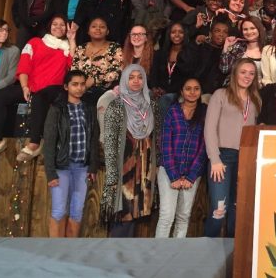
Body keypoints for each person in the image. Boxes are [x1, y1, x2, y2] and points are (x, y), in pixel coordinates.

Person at [0, 15, 74, 163]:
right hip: (31, 84)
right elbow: (24, 66)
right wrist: (25, 86)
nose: (58, 27)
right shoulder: (35, 42)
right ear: (49, 26)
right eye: (55, 24)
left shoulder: (66, 47)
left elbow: (73, 64)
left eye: (62, 25)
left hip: (53, 88)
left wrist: (71, 39)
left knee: (39, 98)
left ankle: (34, 143)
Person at [100, 64, 161, 237]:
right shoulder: (116, 106)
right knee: (122, 213)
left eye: (139, 77)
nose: (136, 81)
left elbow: (157, 137)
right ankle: (114, 257)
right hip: (123, 168)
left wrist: (156, 164)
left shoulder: (151, 106)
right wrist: (112, 174)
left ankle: (125, 257)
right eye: (131, 77)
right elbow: (110, 142)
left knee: (135, 212)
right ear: (125, 80)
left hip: (144, 168)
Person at [204, 58, 261, 237]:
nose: (247, 76)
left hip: (245, 158)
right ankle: (206, 254)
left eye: (251, 73)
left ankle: (231, 258)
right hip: (222, 157)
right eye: (243, 72)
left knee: (237, 211)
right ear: (235, 73)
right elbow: (209, 128)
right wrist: (215, 159)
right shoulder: (220, 95)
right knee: (219, 209)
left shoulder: (255, 99)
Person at [42, 70, 100, 237]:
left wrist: (93, 167)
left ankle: (70, 252)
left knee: (77, 211)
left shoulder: (89, 109)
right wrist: (50, 173)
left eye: (82, 84)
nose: (79, 88)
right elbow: (50, 141)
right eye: (75, 84)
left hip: (82, 167)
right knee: (59, 210)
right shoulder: (57, 109)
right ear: (66, 86)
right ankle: (56, 253)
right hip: (62, 167)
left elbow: (93, 140)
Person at [155, 77, 207, 238]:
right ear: (181, 91)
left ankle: (176, 257)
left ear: (200, 92)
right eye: (188, 88)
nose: (192, 92)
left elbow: (204, 147)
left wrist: (191, 176)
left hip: (192, 173)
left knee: (183, 218)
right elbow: (165, 144)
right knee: (166, 217)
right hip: (169, 171)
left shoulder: (205, 113)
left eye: (196, 89)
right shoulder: (173, 111)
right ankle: (158, 257)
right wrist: (174, 176)